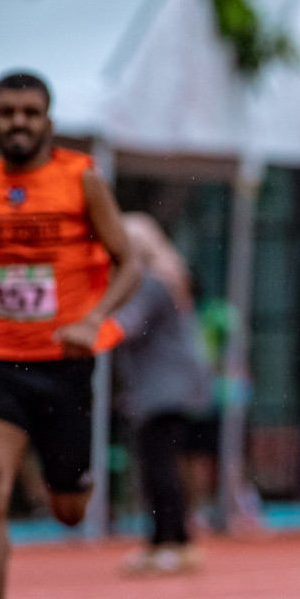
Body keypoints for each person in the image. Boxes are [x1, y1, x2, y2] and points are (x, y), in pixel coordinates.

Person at [0, 72, 141, 599]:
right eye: (6, 113)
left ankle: (52, 463)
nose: (18, 123)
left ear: (49, 121)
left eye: (30, 112)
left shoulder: (81, 177)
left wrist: (93, 321)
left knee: (68, 508)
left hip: (65, 365)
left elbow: (129, 264)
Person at [115, 213, 214, 574]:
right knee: (160, 465)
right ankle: (163, 540)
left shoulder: (154, 282)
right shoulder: (169, 276)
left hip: (165, 388)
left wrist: (90, 319)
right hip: (169, 386)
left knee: (160, 466)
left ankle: (174, 541)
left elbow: (128, 325)